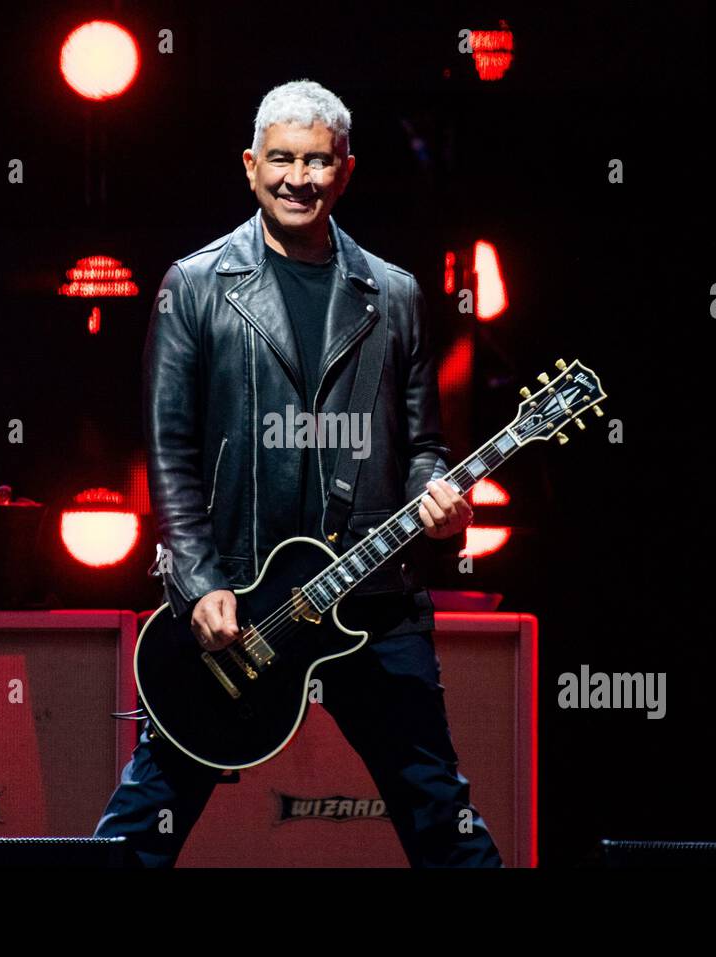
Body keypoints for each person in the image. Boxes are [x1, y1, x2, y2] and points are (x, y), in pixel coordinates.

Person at [94, 79, 503, 867]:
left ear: (345, 169)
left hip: (372, 600)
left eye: (318, 161)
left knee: (440, 813)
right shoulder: (196, 286)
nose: (298, 178)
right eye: (281, 159)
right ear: (250, 166)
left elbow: (423, 446)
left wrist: (437, 498)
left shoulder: (395, 294)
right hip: (240, 605)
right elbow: (169, 450)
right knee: (147, 822)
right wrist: (198, 581)